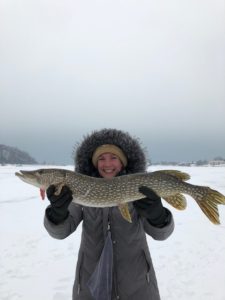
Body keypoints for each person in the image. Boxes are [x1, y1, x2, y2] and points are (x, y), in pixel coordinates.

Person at [44, 128, 174, 300]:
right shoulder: (78, 191)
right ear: (95, 163)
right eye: (101, 159)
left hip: (138, 287)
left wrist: (159, 217)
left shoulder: (140, 188)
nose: (107, 164)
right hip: (90, 287)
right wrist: (56, 215)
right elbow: (61, 232)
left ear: (123, 162)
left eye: (114, 158)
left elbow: (161, 234)